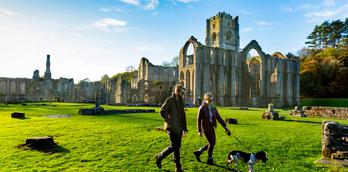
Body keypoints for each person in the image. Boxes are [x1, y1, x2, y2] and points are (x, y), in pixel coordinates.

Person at [155, 84, 187, 172]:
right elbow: (162, 111)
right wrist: (169, 121)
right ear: (177, 91)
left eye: (184, 93)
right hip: (172, 127)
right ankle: (159, 156)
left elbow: (182, 115)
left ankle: (178, 167)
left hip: (179, 128)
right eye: (182, 92)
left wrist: (184, 128)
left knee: (177, 147)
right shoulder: (170, 100)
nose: (183, 94)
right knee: (174, 146)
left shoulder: (181, 101)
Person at [194, 92, 231, 165]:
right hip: (205, 128)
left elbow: (219, 118)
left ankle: (199, 152)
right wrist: (199, 131)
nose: (210, 102)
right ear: (205, 99)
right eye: (209, 100)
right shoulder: (202, 108)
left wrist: (226, 127)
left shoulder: (213, 107)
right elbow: (198, 120)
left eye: (211, 100)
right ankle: (209, 159)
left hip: (211, 127)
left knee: (213, 143)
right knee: (211, 143)